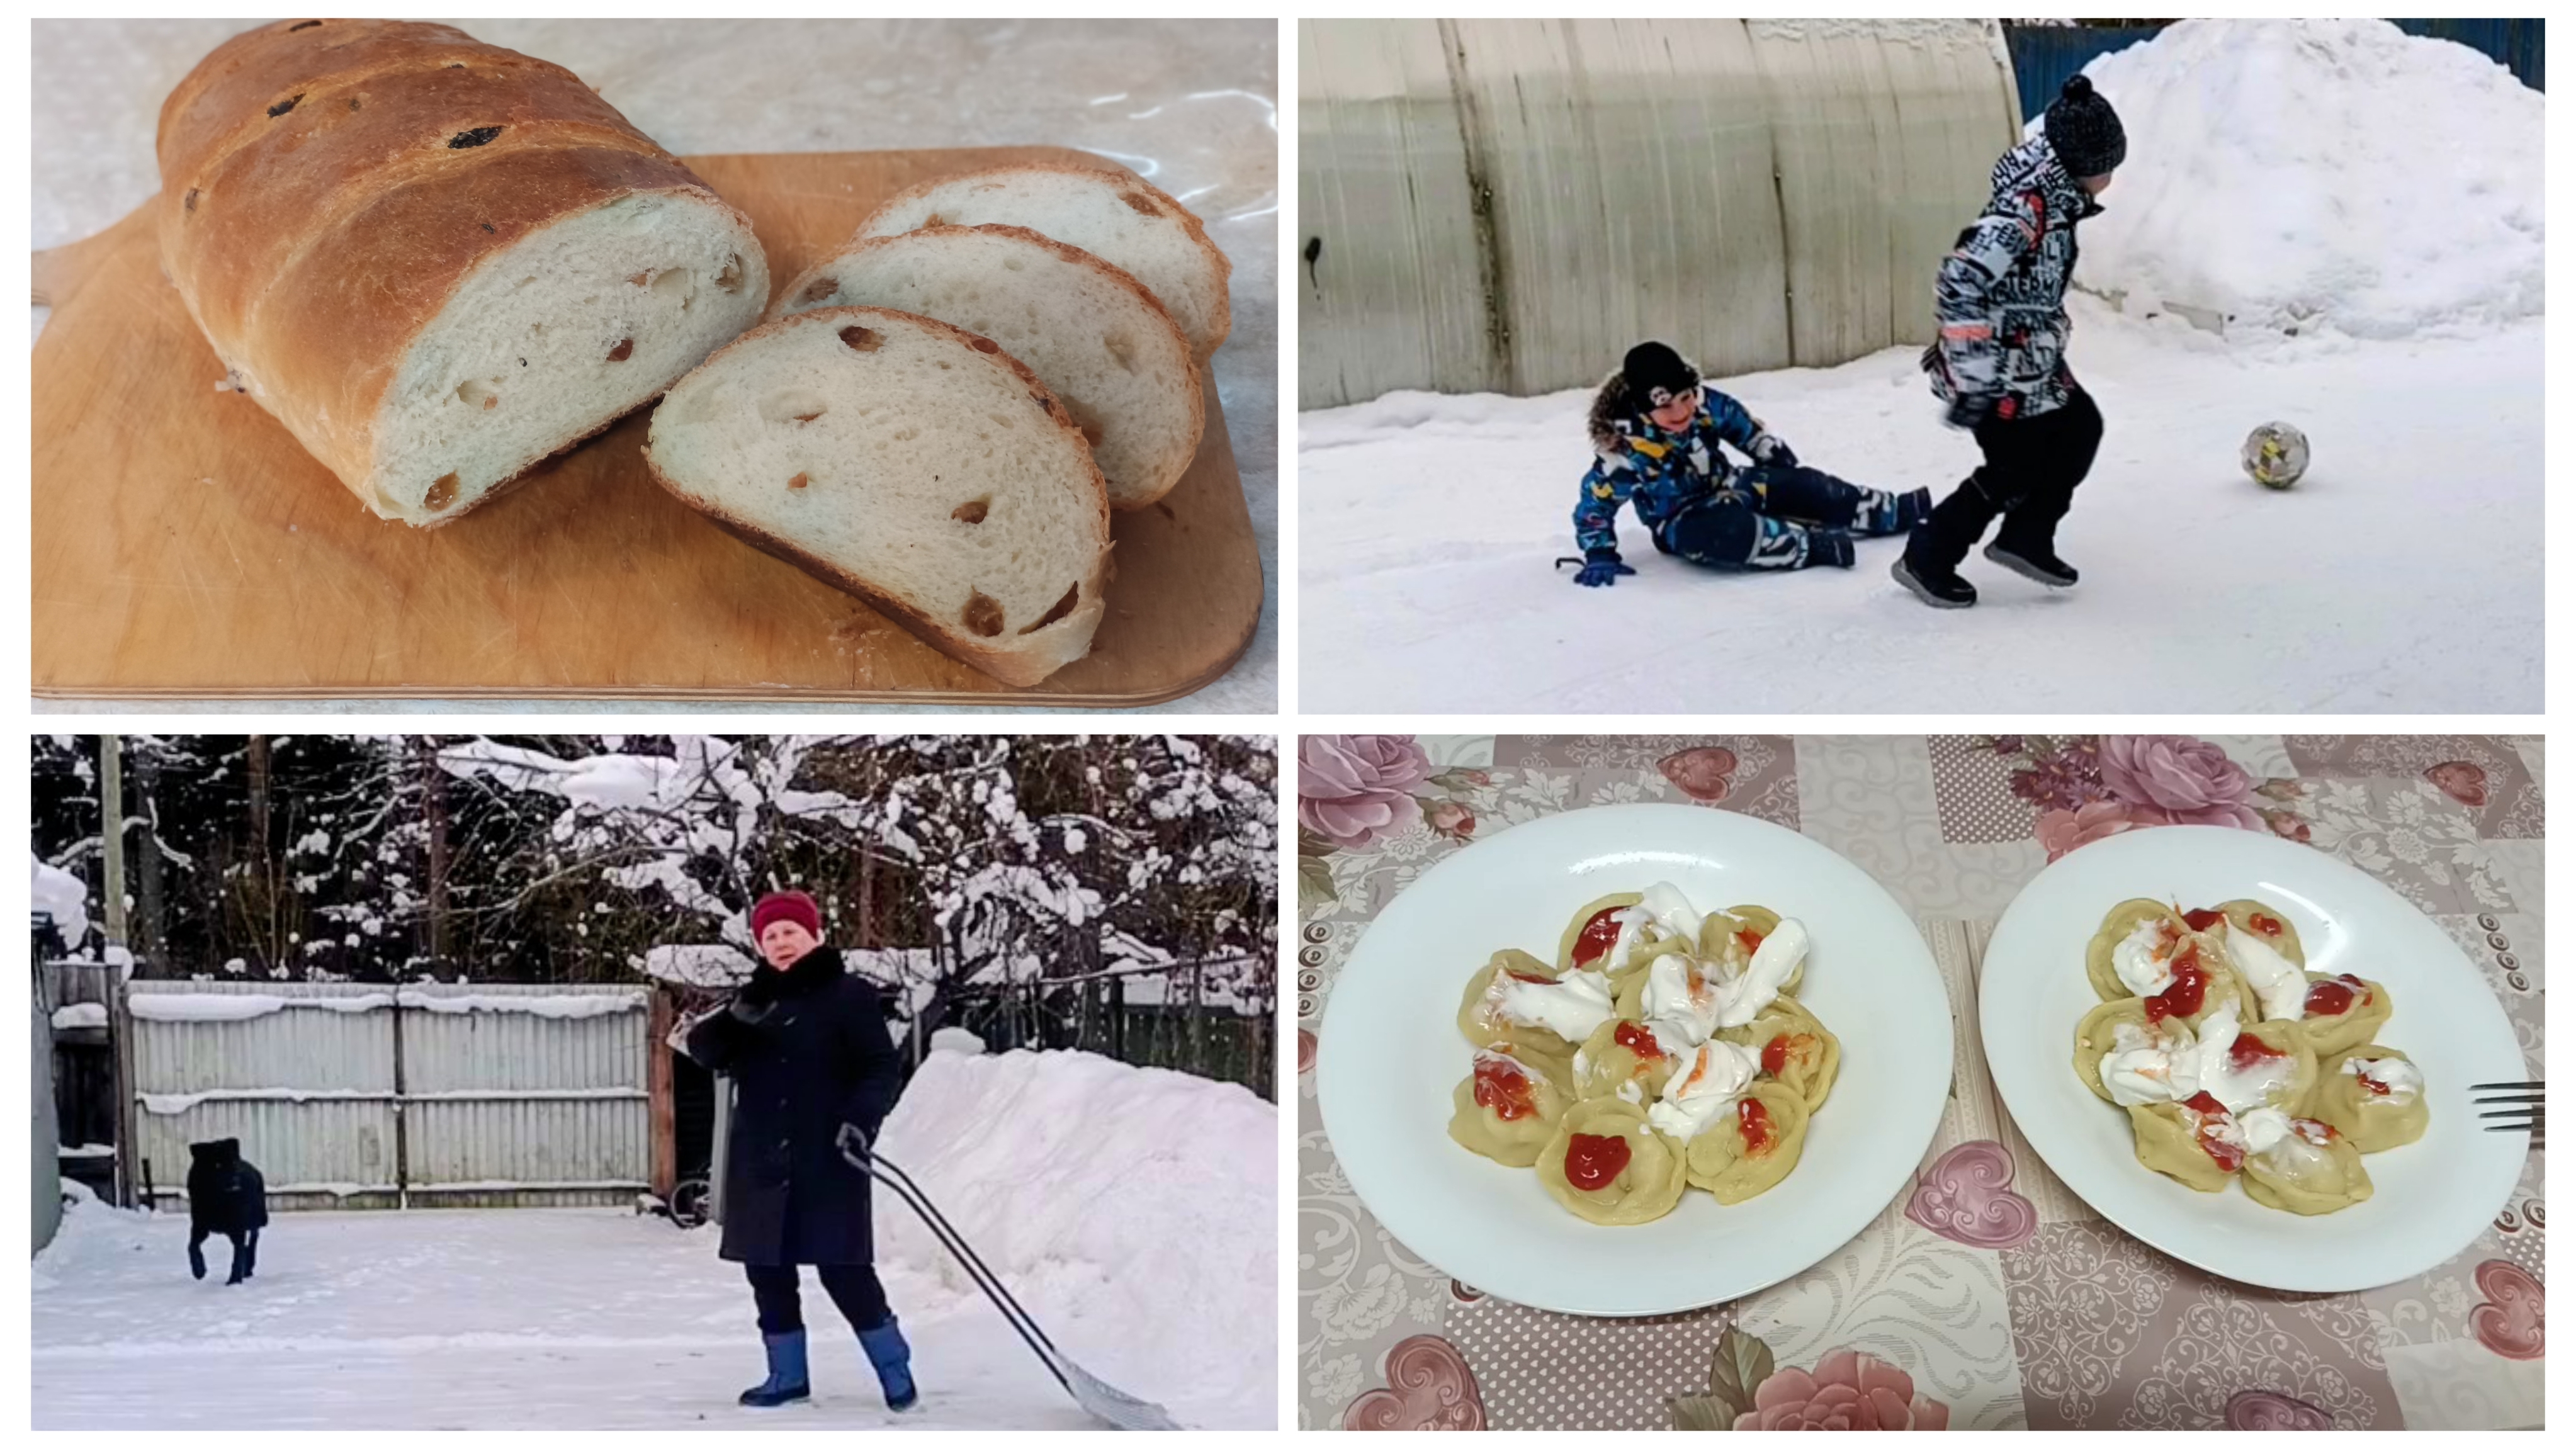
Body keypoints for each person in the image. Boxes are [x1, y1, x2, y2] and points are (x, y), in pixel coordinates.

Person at [1897, 74, 2125, 608]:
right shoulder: (2025, 210)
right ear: (2085, 165)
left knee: (2079, 429)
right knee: (2013, 470)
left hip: (2033, 364)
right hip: (1992, 370)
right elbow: (1959, 280)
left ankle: (2027, 536)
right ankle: (1927, 556)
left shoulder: (2059, 202)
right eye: (2109, 166)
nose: (2112, 176)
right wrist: (1975, 378)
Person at [682, 889, 912, 1412]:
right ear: (760, 946)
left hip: (829, 1153)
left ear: (815, 936)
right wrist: (738, 1016)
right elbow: (704, 1051)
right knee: (768, 1271)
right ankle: (786, 1376)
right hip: (761, 1158)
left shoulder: (849, 994)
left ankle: (894, 1366)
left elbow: (880, 1067)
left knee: (844, 1269)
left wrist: (861, 1120)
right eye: (771, 935)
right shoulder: (753, 998)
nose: (781, 942)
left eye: (791, 932)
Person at [1569, 342, 1929, 585]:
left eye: (1685, 398)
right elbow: (1595, 505)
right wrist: (1599, 551)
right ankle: (1812, 546)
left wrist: (1778, 463)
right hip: (1681, 520)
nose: (1681, 412)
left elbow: (1743, 427)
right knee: (1721, 535)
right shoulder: (1626, 448)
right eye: (1666, 406)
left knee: (1807, 486)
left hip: (1732, 484)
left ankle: (1891, 511)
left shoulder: (1705, 405)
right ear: (1643, 408)